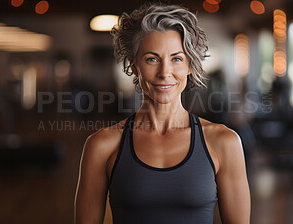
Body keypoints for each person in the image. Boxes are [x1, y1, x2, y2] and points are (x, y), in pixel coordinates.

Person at [75, 3, 250, 224]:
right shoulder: (102, 145)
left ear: (189, 66)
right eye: (152, 59)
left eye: (176, 59)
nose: (165, 72)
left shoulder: (225, 142)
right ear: (134, 66)